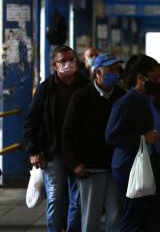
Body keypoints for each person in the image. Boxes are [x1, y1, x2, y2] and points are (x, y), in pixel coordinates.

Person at [23, 45, 87, 232]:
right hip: (54, 151)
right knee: (55, 197)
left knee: (78, 198)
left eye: (71, 59)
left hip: (78, 150)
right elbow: (31, 122)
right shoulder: (45, 89)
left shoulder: (85, 85)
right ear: (54, 65)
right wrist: (33, 150)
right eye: (63, 61)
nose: (68, 64)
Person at [62, 53, 126, 232]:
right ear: (97, 73)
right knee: (91, 215)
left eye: (116, 70)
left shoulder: (122, 97)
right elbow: (68, 133)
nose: (114, 73)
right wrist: (74, 163)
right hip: (90, 168)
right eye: (110, 70)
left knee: (115, 215)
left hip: (116, 166)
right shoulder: (81, 97)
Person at [105, 55, 160, 232]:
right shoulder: (126, 103)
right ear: (141, 78)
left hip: (151, 164)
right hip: (131, 167)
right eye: (155, 78)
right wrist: (142, 138)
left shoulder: (150, 101)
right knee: (134, 218)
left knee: (156, 217)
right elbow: (112, 136)